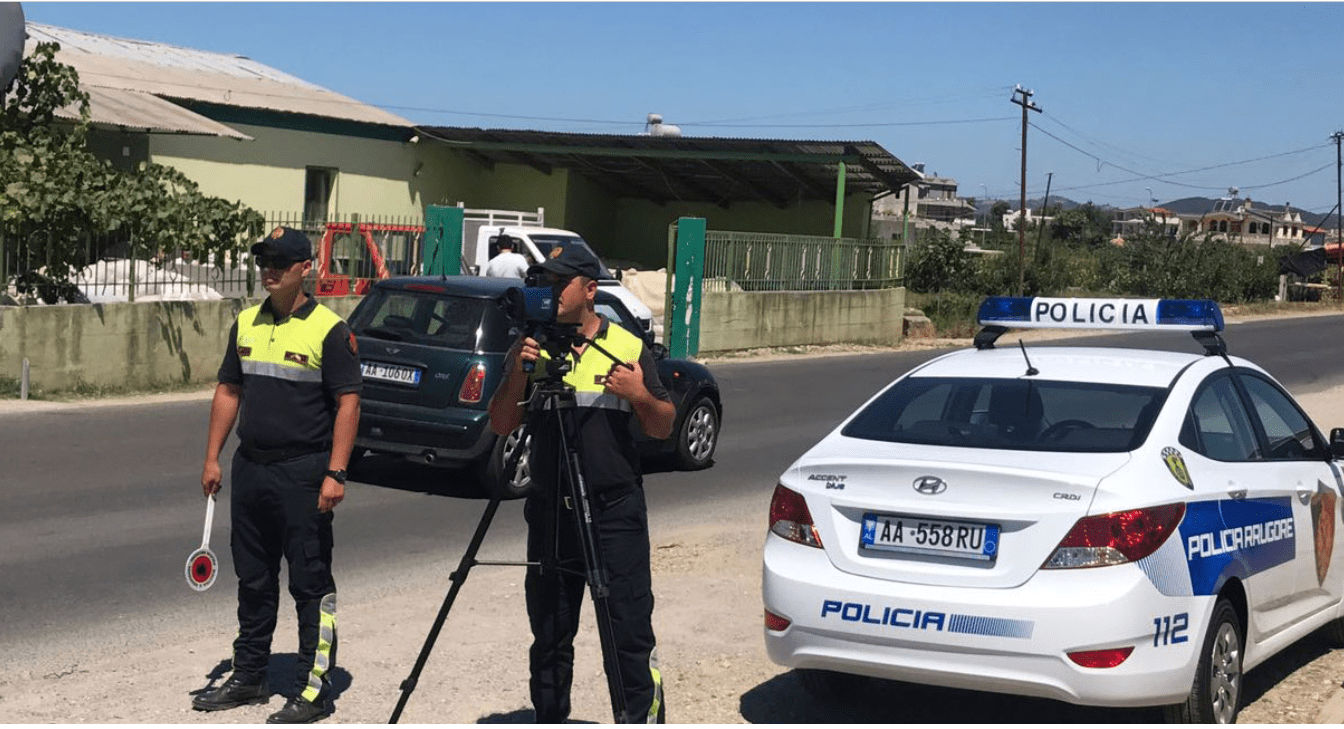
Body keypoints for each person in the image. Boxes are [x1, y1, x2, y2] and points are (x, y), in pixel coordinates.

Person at [488, 245, 676, 724]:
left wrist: (638, 395)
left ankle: (641, 719)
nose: (548, 292)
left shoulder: (627, 346)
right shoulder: (529, 349)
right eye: (543, 283)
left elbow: (663, 425)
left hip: (613, 513)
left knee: (627, 632)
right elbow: (502, 423)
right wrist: (518, 374)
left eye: (559, 283)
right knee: (549, 633)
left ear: (590, 290)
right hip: (552, 512)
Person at [192, 226, 362, 724]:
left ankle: (314, 688)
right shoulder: (245, 322)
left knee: (310, 583)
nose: (269, 271)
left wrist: (336, 472)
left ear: (304, 269)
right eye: (264, 261)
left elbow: (349, 403)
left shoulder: (330, 330)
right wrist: (212, 457)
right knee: (254, 579)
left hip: (304, 472)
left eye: (280, 263)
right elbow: (229, 390)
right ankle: (249, 675)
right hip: (252, 468)